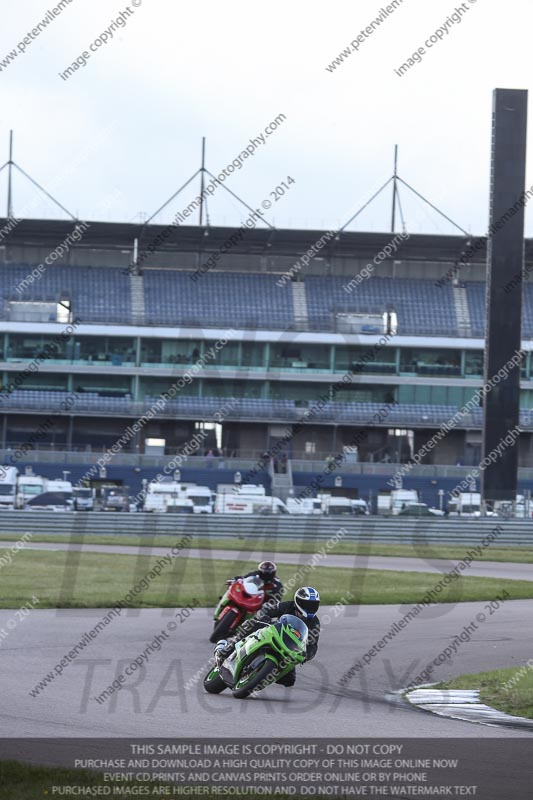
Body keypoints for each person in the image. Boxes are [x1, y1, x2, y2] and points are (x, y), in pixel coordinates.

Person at [214, 586, 321, 687]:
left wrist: (307, 655)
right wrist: (264, 617)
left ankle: (259, 675)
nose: (311, 608)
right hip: (273, 633)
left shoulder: (314, 623)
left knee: (289, 681)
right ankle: (227, 649)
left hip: (288, 647)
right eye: (308, 605)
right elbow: (270, 610)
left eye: (314, 605)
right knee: (253, 625)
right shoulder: (288, 606)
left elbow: (313, 644)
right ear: (299, 602)